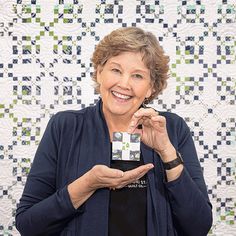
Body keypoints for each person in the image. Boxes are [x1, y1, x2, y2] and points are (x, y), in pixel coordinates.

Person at [15, 27, 212, 236]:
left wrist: (167, 152)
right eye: (116, 70)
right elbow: (29, 225)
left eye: (137, 76)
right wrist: (86, 185)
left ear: (151, 88)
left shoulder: (172, 128)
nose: (124, 84)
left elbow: (198, 227)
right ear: (99, 72)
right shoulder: (64, 126)